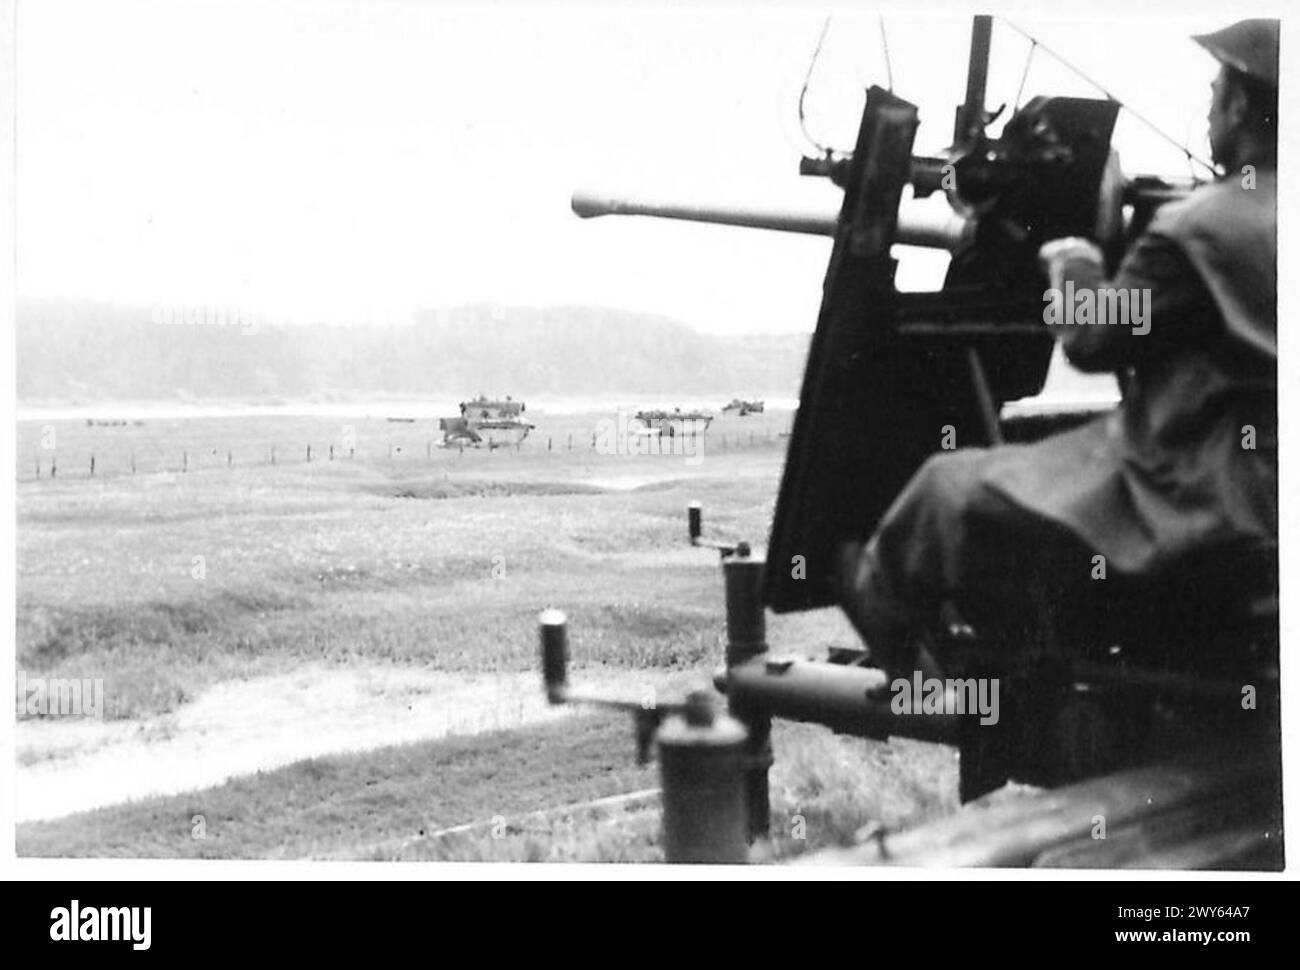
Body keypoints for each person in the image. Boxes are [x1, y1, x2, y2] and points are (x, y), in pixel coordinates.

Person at [836, 19, 1278, 676]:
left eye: (1216, 90)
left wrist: (1074, 263)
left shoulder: (1197, 227)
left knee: (943, 488)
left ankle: (933, 664)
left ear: (1240, 104)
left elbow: (1093, 339)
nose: (1210, 104)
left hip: (1197, 500)